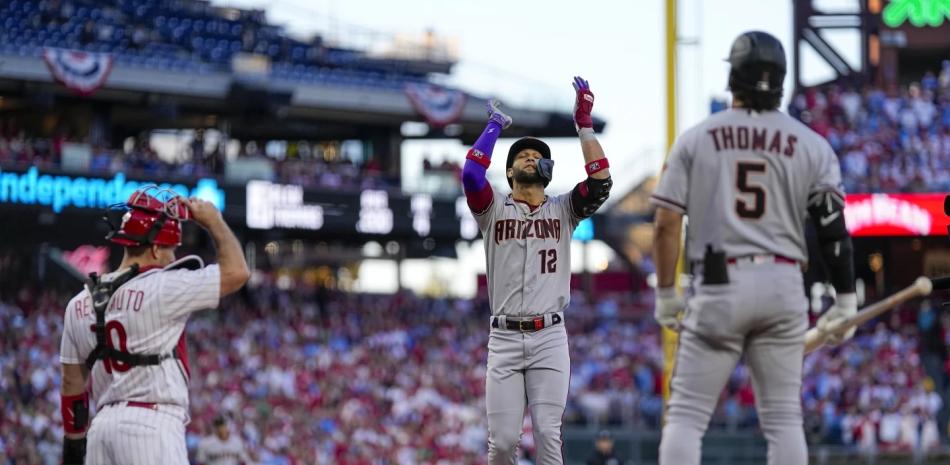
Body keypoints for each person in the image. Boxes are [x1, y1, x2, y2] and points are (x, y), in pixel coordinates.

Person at [650, 31, 856, 465]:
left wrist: (667, 293)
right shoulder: (813, 144)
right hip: (784, 282)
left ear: (733, 77)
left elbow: (667, 222)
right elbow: (832, 228)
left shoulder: (697, 137)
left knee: (687, 416)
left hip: (720, 281)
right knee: (783, 418)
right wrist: (846, 299)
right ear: (779, 80)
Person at [461, 76, 613, 465]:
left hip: (549, 335)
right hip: (505, 337)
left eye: (535, 155)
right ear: (510, 172)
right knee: (505, 443)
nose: (530, 157)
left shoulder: (563, 209)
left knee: (548, 435)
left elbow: (600, 183)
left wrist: (584, 125)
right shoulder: (493, 209)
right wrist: (494, 127)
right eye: (522, 157)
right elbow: (471, 176)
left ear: (546, 168)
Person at [59, 186, 250, 465]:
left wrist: (74, 451)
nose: (173, 258)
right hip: (152, 426)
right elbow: (238, 272)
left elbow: (71, 383)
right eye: (171, 249)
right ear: (157, 247)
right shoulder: (164, 287)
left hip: (100, 431)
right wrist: (213, 220)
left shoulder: (78, 303)